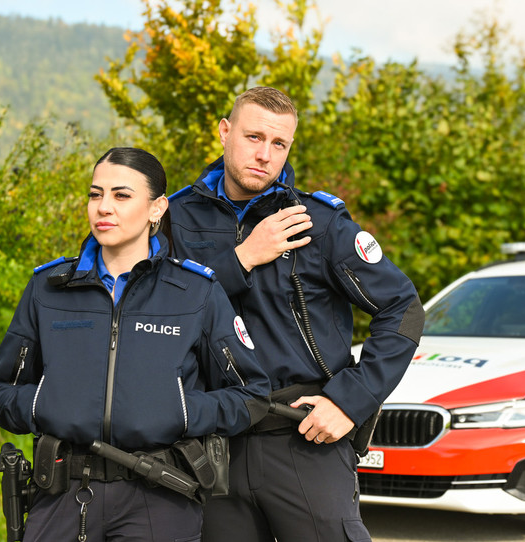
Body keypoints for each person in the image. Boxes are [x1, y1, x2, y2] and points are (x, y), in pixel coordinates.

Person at [169, 86, 425, 541]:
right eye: (253, 137)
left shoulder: (317, 221)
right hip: (210, 445)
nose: (265, 154)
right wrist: (242, 258)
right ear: (225, 132)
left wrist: (351, 400)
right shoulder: (177, 219)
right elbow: (158, 316)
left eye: (279, 143)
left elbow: (403, 309)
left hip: (302, 436)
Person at [0, 147, 272, 542]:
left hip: (159, 499)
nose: (103, 207)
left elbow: (252, 395)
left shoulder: (195, 292)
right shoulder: (47, 289)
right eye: (95, 194)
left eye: (121, 195)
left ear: (157, 208)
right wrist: (43, 404)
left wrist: (182, 411)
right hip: (63, 493)